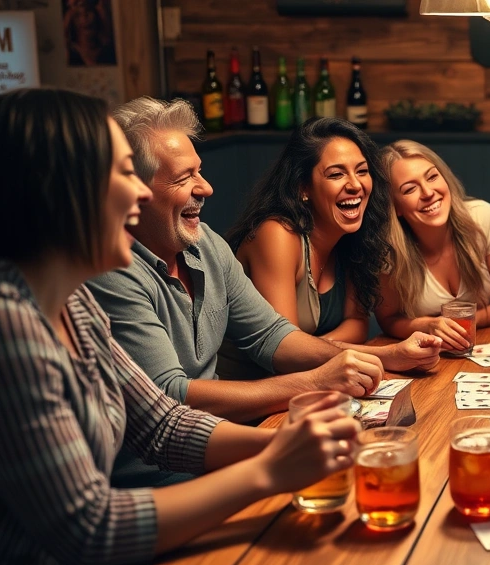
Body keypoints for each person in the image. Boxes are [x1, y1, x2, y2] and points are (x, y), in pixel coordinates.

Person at [0, 87, 359, 565]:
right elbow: (90, 531)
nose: (141, 192)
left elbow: (160, 423)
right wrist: (269, 470)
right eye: (124, 173)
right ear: (60, 190)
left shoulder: (72, 301)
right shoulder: (6, 323)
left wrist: (283, 447)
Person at [85, 97, 437, 486]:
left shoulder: (205, 244)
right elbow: (169, 397)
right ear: (131, 190)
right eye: (185, 178)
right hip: (156, 481)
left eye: (199, 172)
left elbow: (272, 335)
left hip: (222, 453)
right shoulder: (111, 271)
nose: (207, 188)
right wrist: (316, 383)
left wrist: (383, 355)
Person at [222, 119, 440, 376]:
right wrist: (388, 355)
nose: (355, 185)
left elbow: (357, 325)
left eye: (361, 171)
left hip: (305, 383)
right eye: (336, 174)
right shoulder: (276, 234)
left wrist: (314, 347)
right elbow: (285, 352)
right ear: (303, 188)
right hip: (245, 393)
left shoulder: (350, 236)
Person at [376, 140, 490, 352]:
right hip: (428, 355)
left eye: (432, 177)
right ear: (395, 207)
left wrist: (464, 324)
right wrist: (428, 326)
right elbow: (388, 320)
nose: (427, 192)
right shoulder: (388, 250)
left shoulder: (483, 218)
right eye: (409, 189)